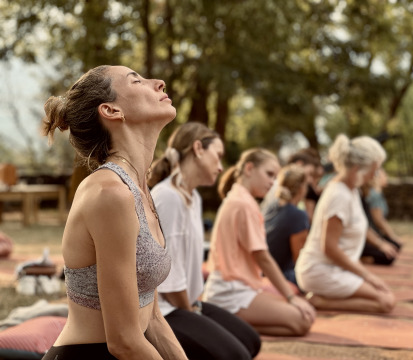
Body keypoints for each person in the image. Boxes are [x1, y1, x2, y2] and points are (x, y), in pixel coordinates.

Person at [41, 65, 187, 360]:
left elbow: (153, 318)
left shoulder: (138, 188)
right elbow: (124, 342)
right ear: (111, 110)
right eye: (137, 81)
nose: (159, 82)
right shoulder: (110, 194)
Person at [148, 122, 261, 360]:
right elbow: (169, 274)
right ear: (198, 149)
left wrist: (194, 308)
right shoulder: (168, 197)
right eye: (217, 156)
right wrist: (190, 313)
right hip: (163, 310)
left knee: (251, 341)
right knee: (237, 355)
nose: (221, 167)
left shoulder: (193, 197)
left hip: (186, 303)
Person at [203, 148, 316, 336]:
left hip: (236, 287)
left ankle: (228, 322)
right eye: (269, 174)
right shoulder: (243, 203)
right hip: (230, 292)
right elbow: (262, 257)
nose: (272, 183)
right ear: (249, 169)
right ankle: (224, 320)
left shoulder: (240, 199)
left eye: (275, 177)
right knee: (302, 320)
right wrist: (289, 296)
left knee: (303, 318)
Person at [295, 134, 396, 313]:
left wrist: (381, 244)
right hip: (321, 271)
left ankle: (325, 299)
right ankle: (321, 302)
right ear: (358, 168)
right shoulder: (338, 195)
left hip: (336, 268)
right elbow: (330, 248)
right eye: (374, 169)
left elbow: (361, 228)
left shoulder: (352, 190)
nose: (375, 174)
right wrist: (367, 276)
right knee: (386, 301)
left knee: (386, 296)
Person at [263, 164, 310, 286]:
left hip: (264, 271)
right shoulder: (298, 215)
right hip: (282, 274)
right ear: (301, 188)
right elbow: (299, 259)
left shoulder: (272, 207)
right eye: (306, 185)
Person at [360, 168, 402, 265]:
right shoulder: (373, 195)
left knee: (393, 248)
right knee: (391, 251)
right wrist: (390, 238)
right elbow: (378, 220)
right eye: (384, 175)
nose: (386, 178)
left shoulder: (374, 194)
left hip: (370, 234)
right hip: (365, 236)